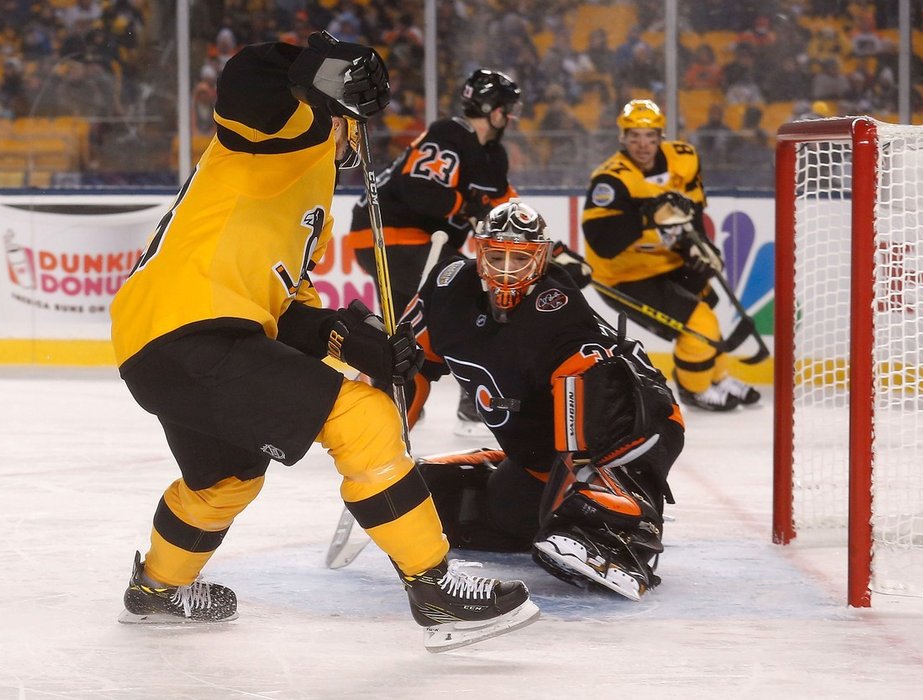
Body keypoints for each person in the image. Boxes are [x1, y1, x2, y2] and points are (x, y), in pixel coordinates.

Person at [109, 31, 538, 651]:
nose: (360, 140)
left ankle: (156, 589)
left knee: (225, 479)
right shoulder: (290, 133)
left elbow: (289, 309)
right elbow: (243, 87)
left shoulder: (310, 196)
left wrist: (354, 339)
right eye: (354, 122)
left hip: (165, 340)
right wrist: (312, 66)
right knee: (363, 419)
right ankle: (435, 588)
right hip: (192, 328)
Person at [401, 200, 683, 600]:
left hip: (634, 430)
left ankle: (629, 521)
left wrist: (571, 489)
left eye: (520, 258)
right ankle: (541, 493)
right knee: (448, 502)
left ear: (542, 259)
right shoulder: (448, 288)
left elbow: (587, 394)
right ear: (478, 252)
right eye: (496, 255)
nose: (505, 269)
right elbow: (408, 368)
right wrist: (385, 450)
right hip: (541, 454)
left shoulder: (557, 305)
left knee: (570, 518)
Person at [347, 68, 521, 437]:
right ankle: (474, 401)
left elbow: (507, 211)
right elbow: (418, 188)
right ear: (491, 108)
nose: (511, 116)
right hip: (389, 235)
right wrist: (465, 203)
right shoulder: (449, 135)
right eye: (507, 108)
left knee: (406, 327)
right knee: (469, 297)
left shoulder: (493, 156)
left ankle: (382, 403)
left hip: (402, 240)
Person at [581, 99, 760, 411]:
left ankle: (716, 376)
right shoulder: (611, 179)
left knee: (706, 306)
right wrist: (645, 217)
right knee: (699, 324)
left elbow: (692, 212)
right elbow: (602, 243)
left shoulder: (683, 158)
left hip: (667, 260)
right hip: (623, 276)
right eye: (634, 136)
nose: (643, 145)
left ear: (661, 136)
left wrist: (700, 247)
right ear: (622, 137)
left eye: (650, 136)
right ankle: (695, 389)